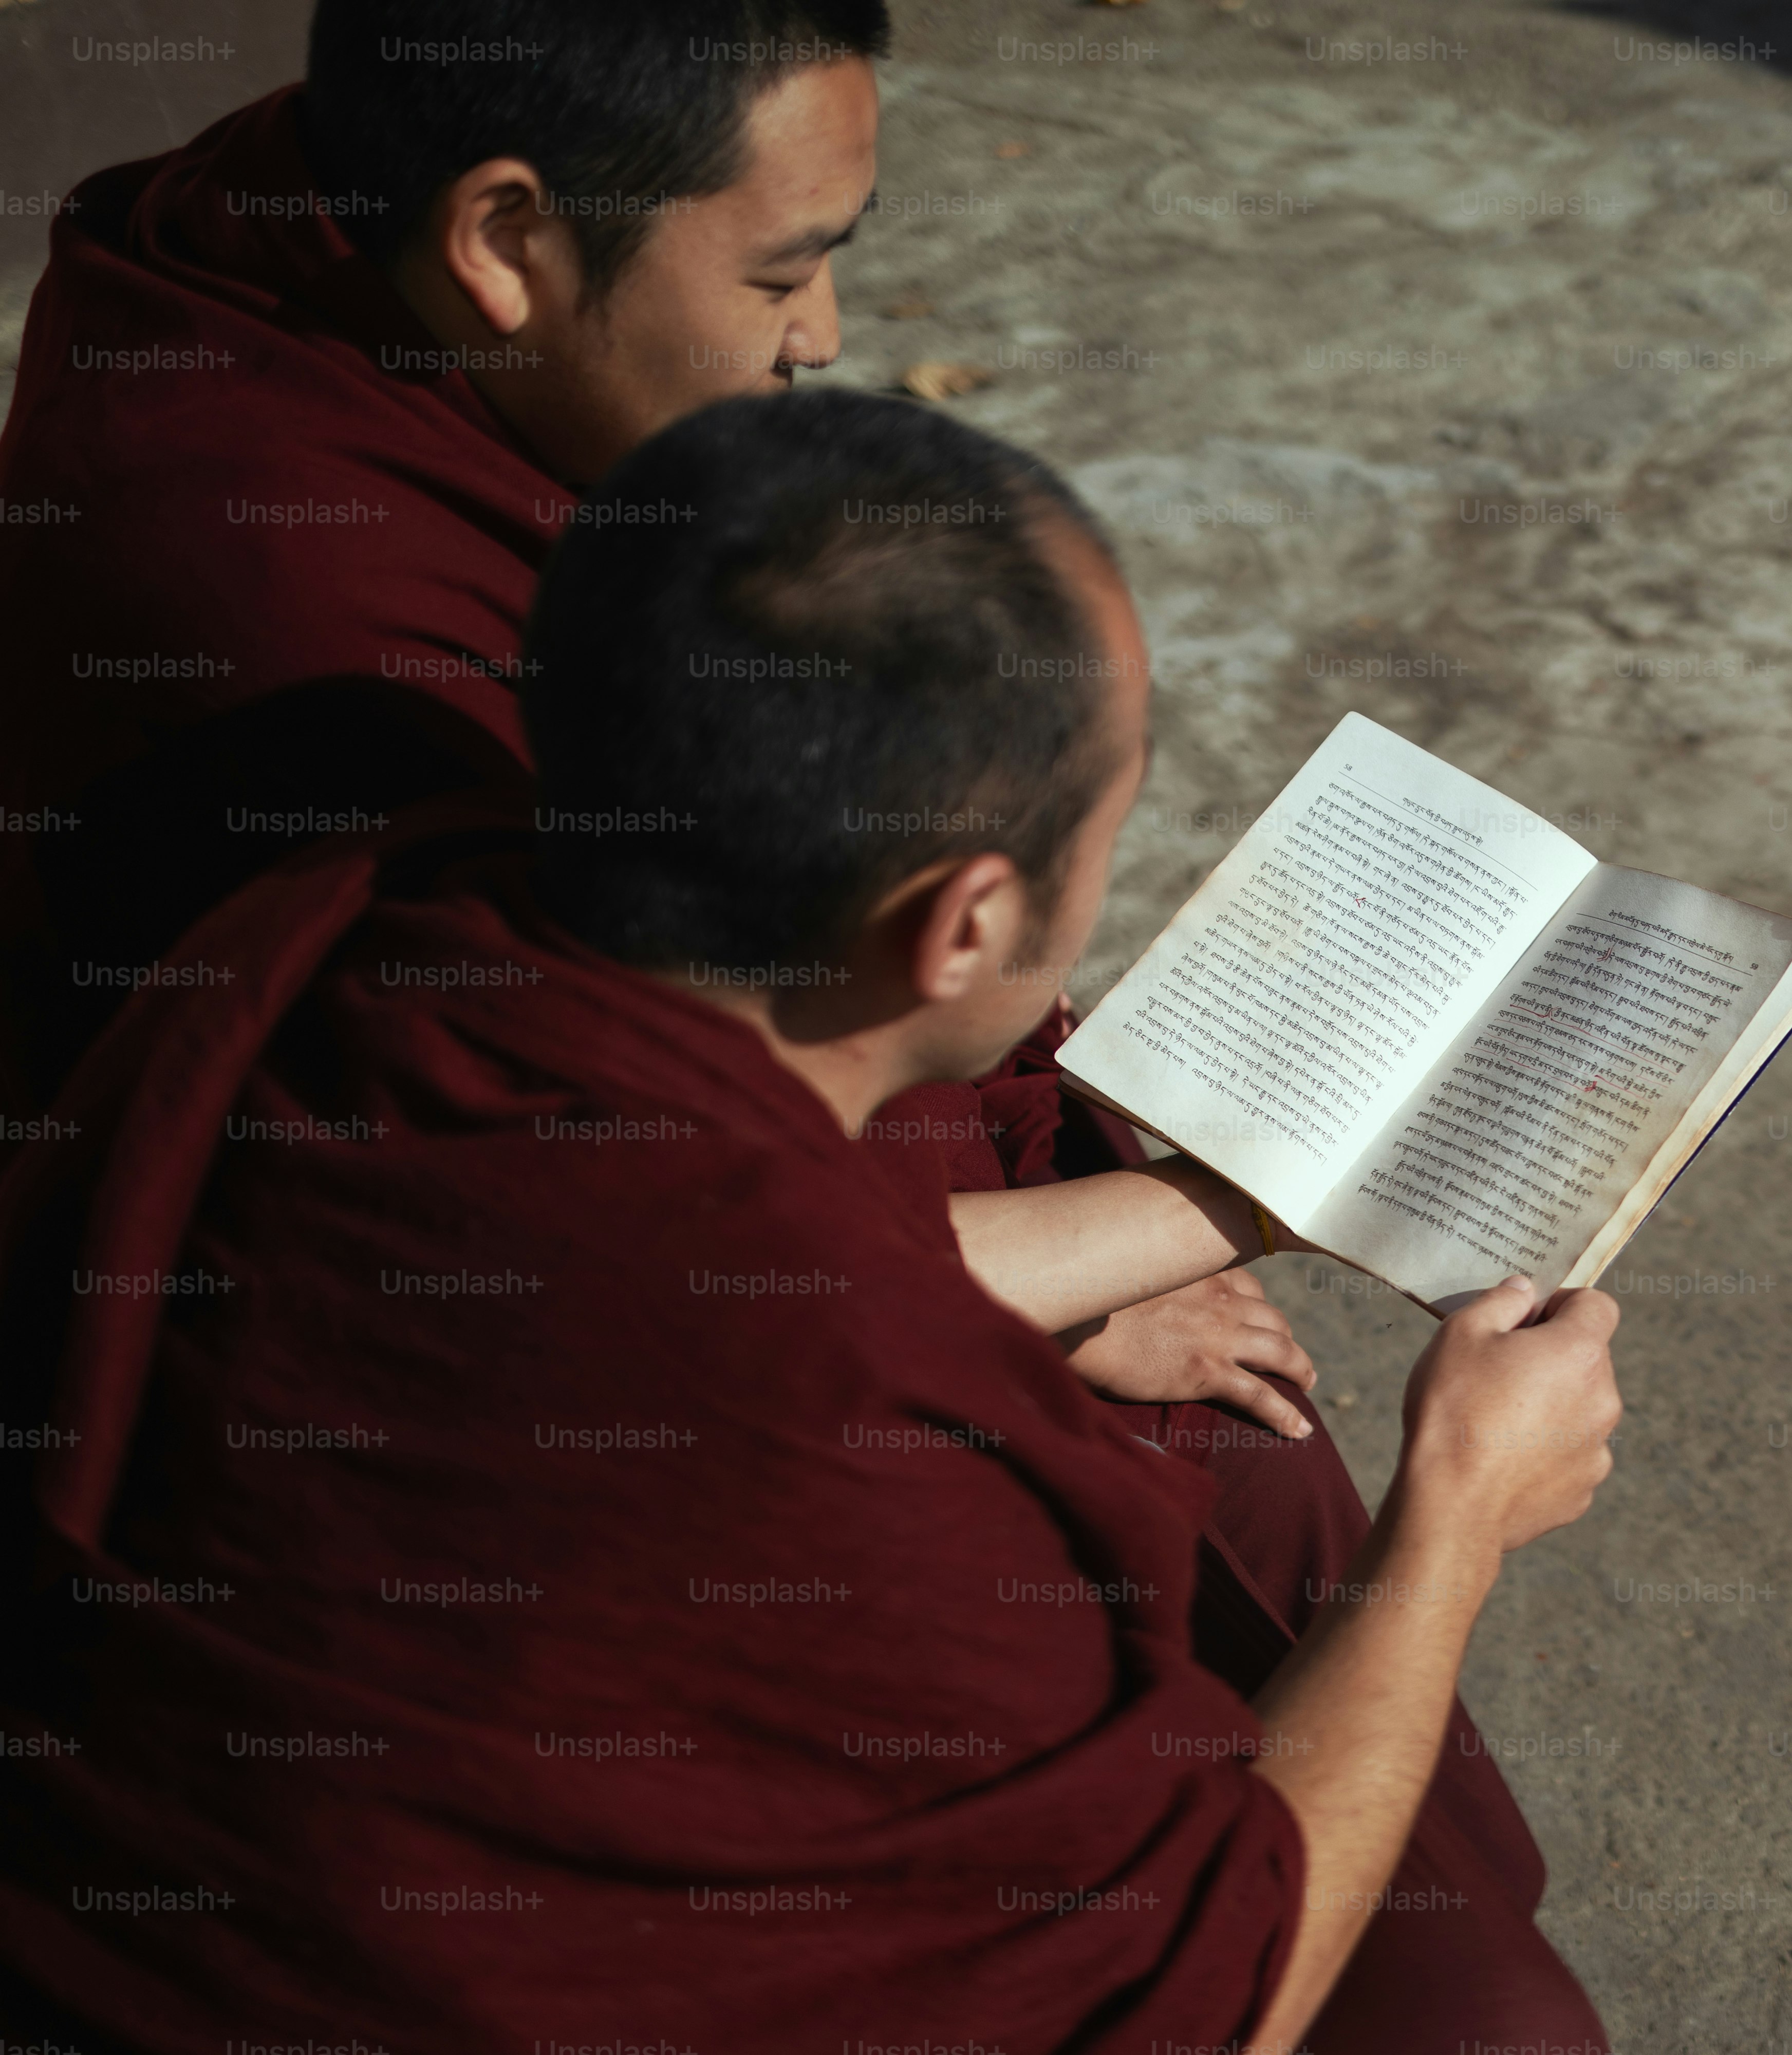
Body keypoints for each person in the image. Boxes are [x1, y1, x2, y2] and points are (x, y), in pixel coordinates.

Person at [0, 390, 1625, 2049]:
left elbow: (769, 1251)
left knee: (1251, 1471)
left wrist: (1228, 1200)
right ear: (966, 922)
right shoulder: (839, 1441)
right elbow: (1190, 2007)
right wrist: (1456, 1520)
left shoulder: (399, 952)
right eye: (1106, 828)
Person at [0, 0, 1347, 1623]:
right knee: (1210, 1499)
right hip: (561, 1348)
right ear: (505, 238)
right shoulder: (323, 653)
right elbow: (649, 1230)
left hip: (794, 1130)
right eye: (777, 274)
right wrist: (1136, 1252)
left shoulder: (330, 199)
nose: (824, 335)